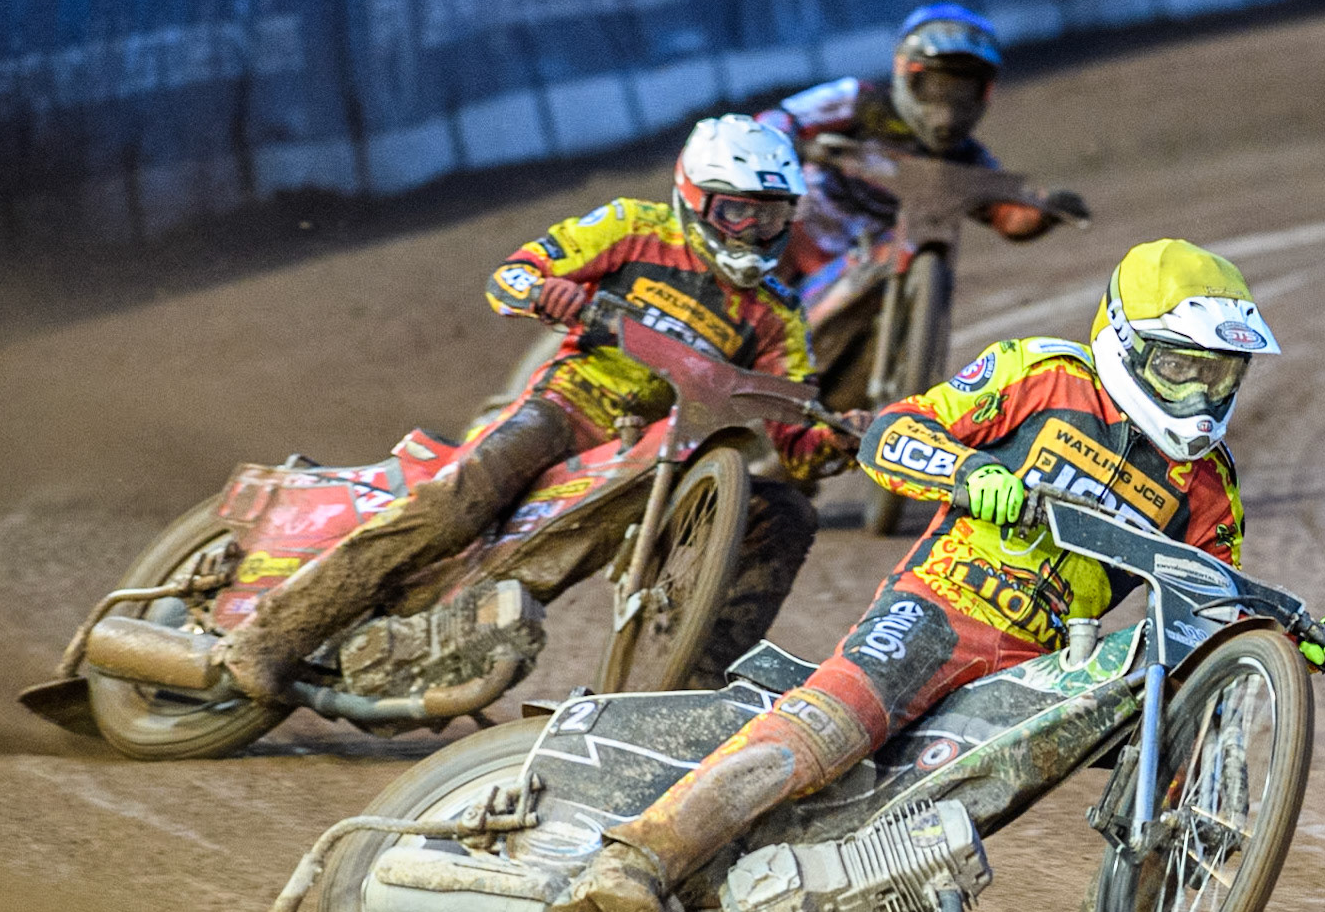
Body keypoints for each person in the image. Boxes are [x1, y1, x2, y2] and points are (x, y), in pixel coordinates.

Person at [551, 237, 1325, 912]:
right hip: (940, 605)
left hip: (1049, 667)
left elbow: (1210, 603)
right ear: (1124, 341)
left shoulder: (1209, 489)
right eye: (1179, 366)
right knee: (831, 727)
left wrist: (1290, 632)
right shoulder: (1039, 376)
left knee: (1196, 720)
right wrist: (970, 471)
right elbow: (891, 432)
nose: (1198, 394)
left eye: (1219, 373)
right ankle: (634, 860)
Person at [217, 115, 862, 700]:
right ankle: (272, 635)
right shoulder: (632, 228)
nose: (754, 233)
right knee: (464, 497)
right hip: (570, 406)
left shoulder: (779, 314)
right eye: (736, 214)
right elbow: (515, 274)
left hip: (676, 455)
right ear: (694, 200)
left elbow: (793, 440)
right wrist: (549, 293)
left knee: (785, 513)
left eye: (772, 216)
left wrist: (841, 440)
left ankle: (695, 685)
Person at [757, 2, 1088, 286]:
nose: (946, 105)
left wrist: (1047, 211)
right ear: (905, 71)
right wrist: (787, 147)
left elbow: (1007, 215)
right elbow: (778, 120)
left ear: (982, 94)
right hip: (799, 240)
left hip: (874, 270)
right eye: (936, 86)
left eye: (961, 91)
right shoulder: (858, 101)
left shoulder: (964, 157)